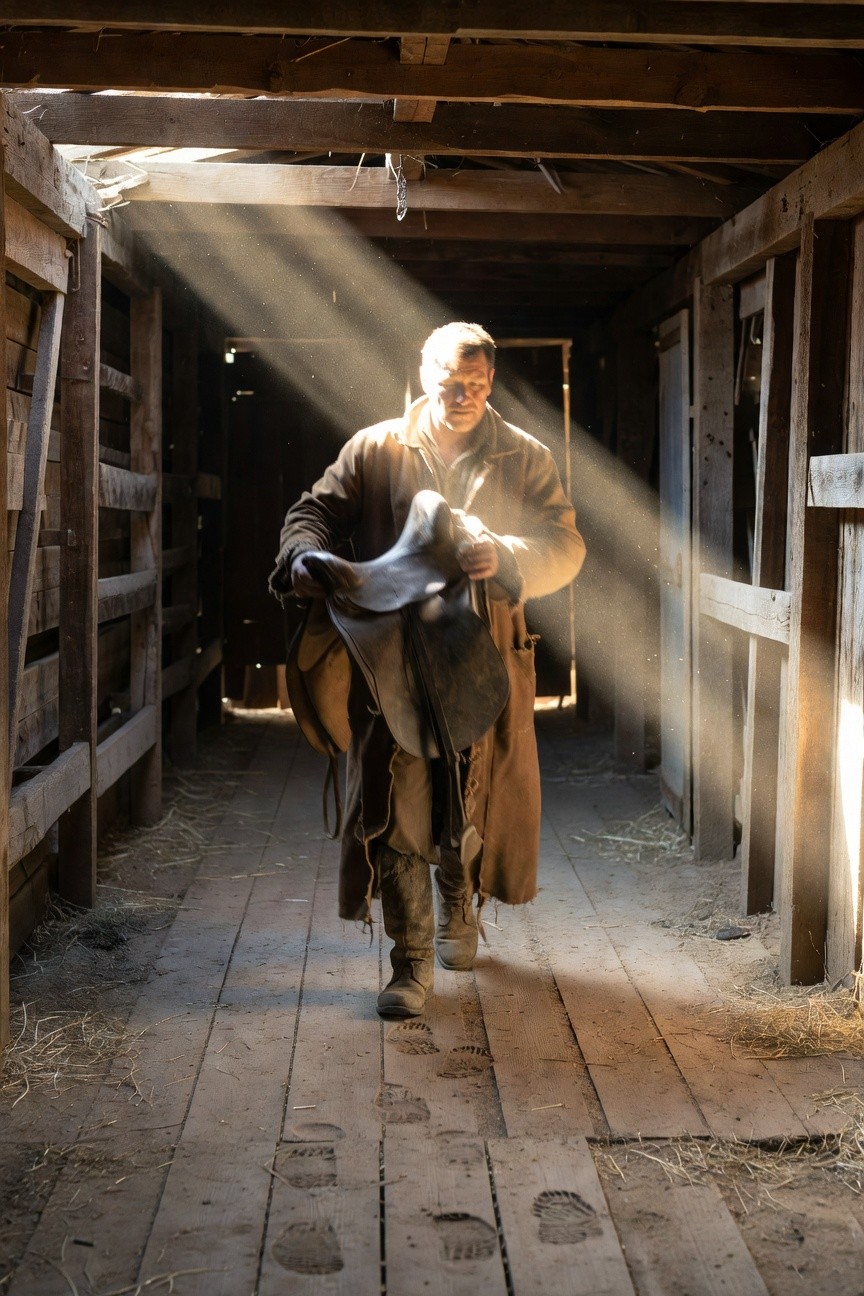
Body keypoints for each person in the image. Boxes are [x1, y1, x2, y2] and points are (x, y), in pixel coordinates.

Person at [269, 322, 585, 1018]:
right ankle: (409, 962)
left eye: (475, 384)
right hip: (394, 661)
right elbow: (313, 512)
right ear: (423, 372)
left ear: (491, 380)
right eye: (449, 382)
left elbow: (565, 544)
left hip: (484, 654)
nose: (461, 395)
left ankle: (459, 908)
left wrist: (505, 556)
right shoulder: (377, 447)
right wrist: (302, 557)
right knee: (396, 802)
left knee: (470, 793)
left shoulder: (523, 455)